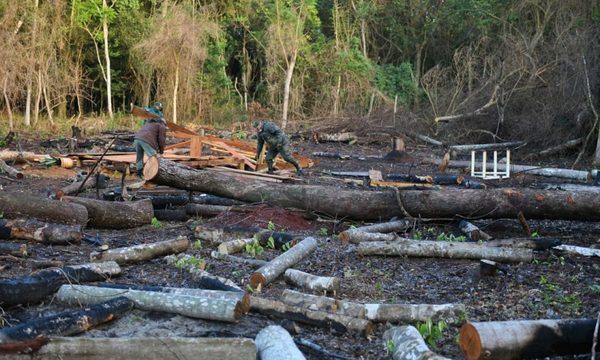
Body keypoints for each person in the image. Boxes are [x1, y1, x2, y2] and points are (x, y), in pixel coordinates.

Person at [134, 102, 167, 178]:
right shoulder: (161, 125)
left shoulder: (149, 122)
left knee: (139, 157)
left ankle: (139, 174)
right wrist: (161, 151)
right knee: (153, 157)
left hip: (137, 138)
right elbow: (161, 140)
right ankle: (151, 175)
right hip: (145, 140)